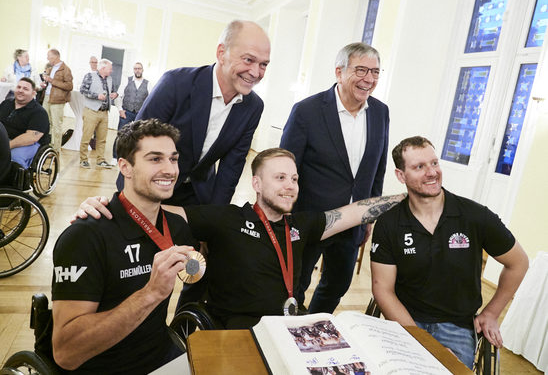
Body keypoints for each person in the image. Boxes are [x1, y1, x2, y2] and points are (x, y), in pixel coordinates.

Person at [76, 147, 405, 330]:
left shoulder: (304, 224)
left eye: (293, 178)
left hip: (291, 328)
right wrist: (107, 203)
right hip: (238, 332)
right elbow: (157, 211)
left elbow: (357, 211)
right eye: (279, 178)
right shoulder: (226, 219)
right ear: (257, 184)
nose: (290, 185)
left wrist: (410, 196)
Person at [131, 19, 270, 309]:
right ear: (221, 53)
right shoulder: (177, 83)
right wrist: (131, 205)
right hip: (150, 186)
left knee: (201, 265)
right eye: (249, 60)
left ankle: (184, 326)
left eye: (264, 65)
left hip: (198, 193)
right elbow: (135, 145)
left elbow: (232, 167)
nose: (256, 72)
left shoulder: (253, 106)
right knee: (144, 266)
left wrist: (214, 220)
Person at [51, 119, 198, 373]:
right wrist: (151, 293)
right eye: (155, 159)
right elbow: (66, 353)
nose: (170, 170)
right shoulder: (85, 236)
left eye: (173, 159)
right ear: (125, 167)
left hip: (163, 357)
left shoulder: (177, 228)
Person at [370, 136, 529, 369]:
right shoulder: (389, 224)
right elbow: (382, 289)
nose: (432, 172)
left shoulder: (475, 216)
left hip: (457, 328)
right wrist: (423, 342)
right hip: (405, 322)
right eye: (419, 167)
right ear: (401, 176)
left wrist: (492, 313)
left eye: (434, 163)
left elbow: (519, 263)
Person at [280, 42, 389, 314]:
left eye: (375, 72)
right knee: (296, 285)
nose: (369, 79)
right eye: (361, 70)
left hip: (353, 220)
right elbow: (285, 168)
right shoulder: (306, 111)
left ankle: (315, 324)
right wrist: (286, 217)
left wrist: (369, 215)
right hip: (310, 219)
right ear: (339, 72)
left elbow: (378, 168)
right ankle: (291, 327)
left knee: (338, 284)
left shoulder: (380, 112)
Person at [0, 78, 49, 168]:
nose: (20, 91)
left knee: (12, 157)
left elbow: (31, 137)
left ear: (33, 93)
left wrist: (6, 146)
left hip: (28, 143)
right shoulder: (6, 104)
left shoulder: (39, 112)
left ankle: (15, 180)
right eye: (19, 87)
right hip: (5, 139)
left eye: (25, 89)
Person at [79, 58, 118, 169]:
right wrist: (97, 96)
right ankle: (83, 160)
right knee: (86, 137)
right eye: (110, 68)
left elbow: (113, 91)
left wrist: (114, 94)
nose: (112, 70)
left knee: (102, 139)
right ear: (103, 68)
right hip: (91, 111)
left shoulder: (110, 79)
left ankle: (100, 160)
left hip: (104, 113)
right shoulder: (90, 76)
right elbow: (83, 90)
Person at [112, 62, 149, 162]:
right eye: (136, 68)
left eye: (139, 68)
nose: (137, 70)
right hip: (126, 113)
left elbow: (149, 100)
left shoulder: (148, 83)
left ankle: (133, 158)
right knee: (121, 135)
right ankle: (115, 157)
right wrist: (120, 110)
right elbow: (118, 96)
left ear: (142, 70)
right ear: (133, 70)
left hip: (139, 114)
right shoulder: (127, 81)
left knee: (138, 137)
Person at [41, 49, 73, 153]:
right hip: (46, 97)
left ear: (55, 57)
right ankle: (46, 146)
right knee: (45, 123)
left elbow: (69, 86)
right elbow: (49, 83)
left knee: (56, 124)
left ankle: (56, 149)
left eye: (49, 56)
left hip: (58, 100)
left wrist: (52, 81)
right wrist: (45, 82)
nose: (47, 58)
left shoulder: (66, 69)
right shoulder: (50, 68)